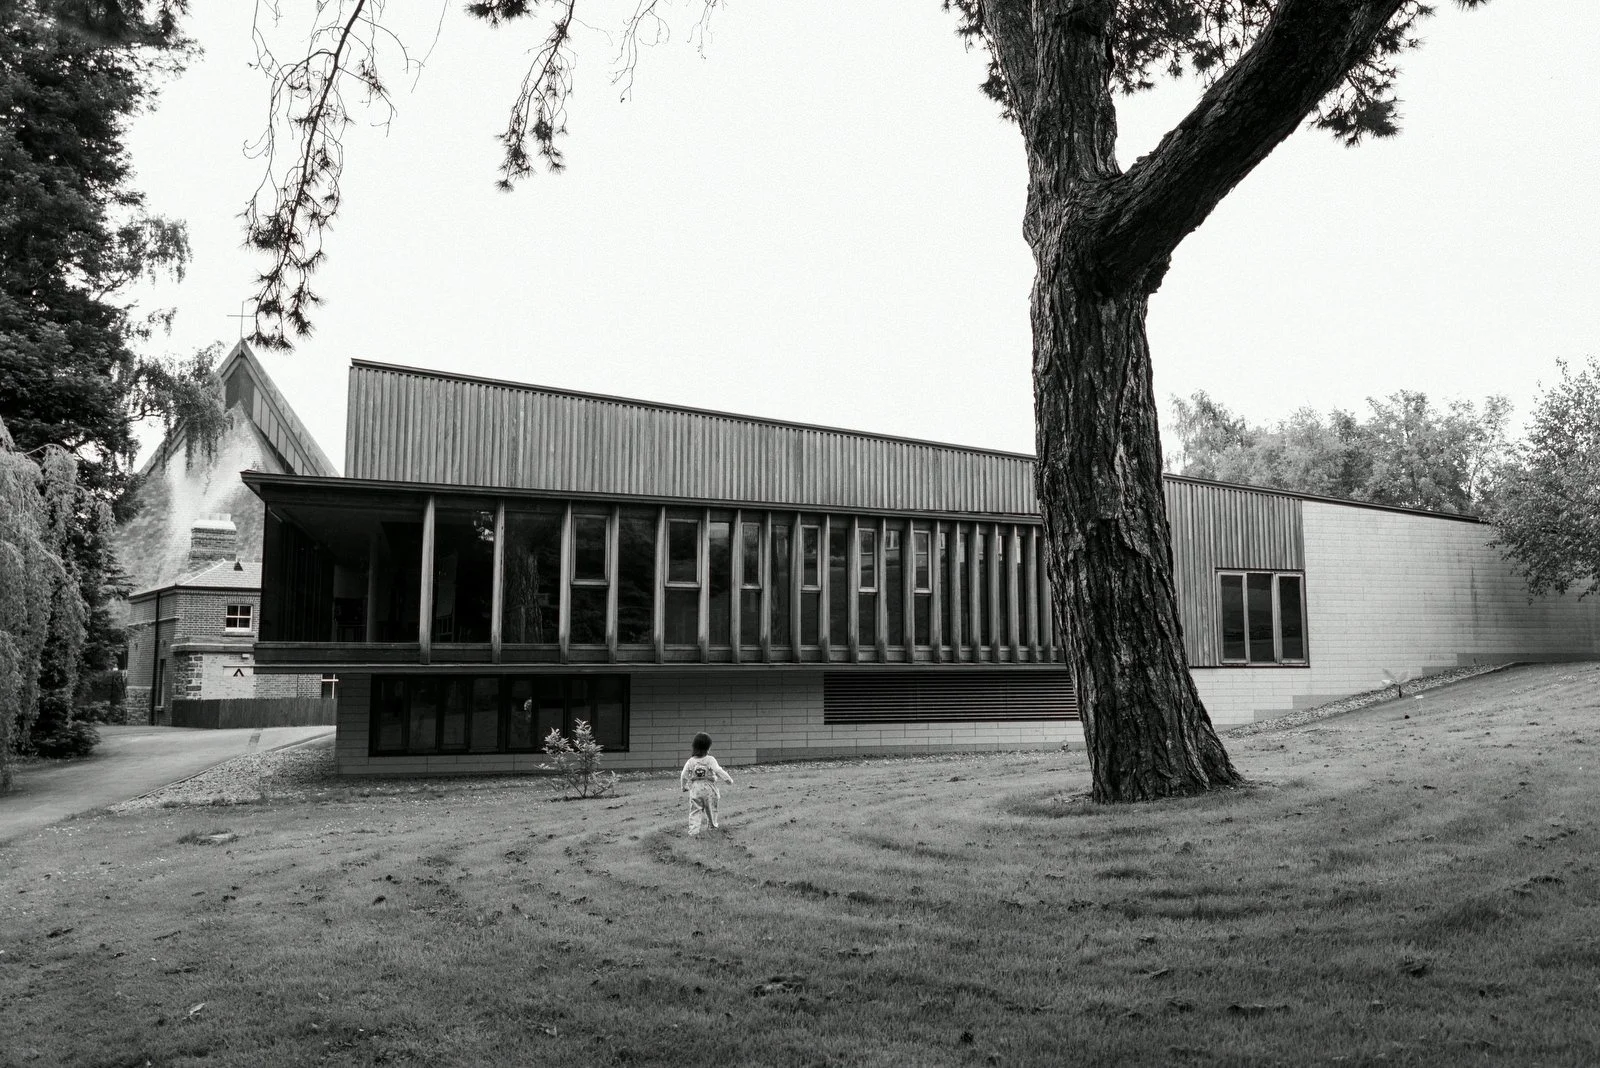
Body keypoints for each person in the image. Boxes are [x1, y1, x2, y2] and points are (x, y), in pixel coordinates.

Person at [679, 732, 734, 835]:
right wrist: (728, 780)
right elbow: (718, 770)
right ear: (708, 747)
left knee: (695, 811)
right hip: (710, 790)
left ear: (694, 746)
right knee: (712, 810)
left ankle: (693, 832)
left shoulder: (690, 761)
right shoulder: (710, 760)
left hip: (695, 789)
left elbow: (683, 775)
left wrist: (683, 786)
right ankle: (712, 828)